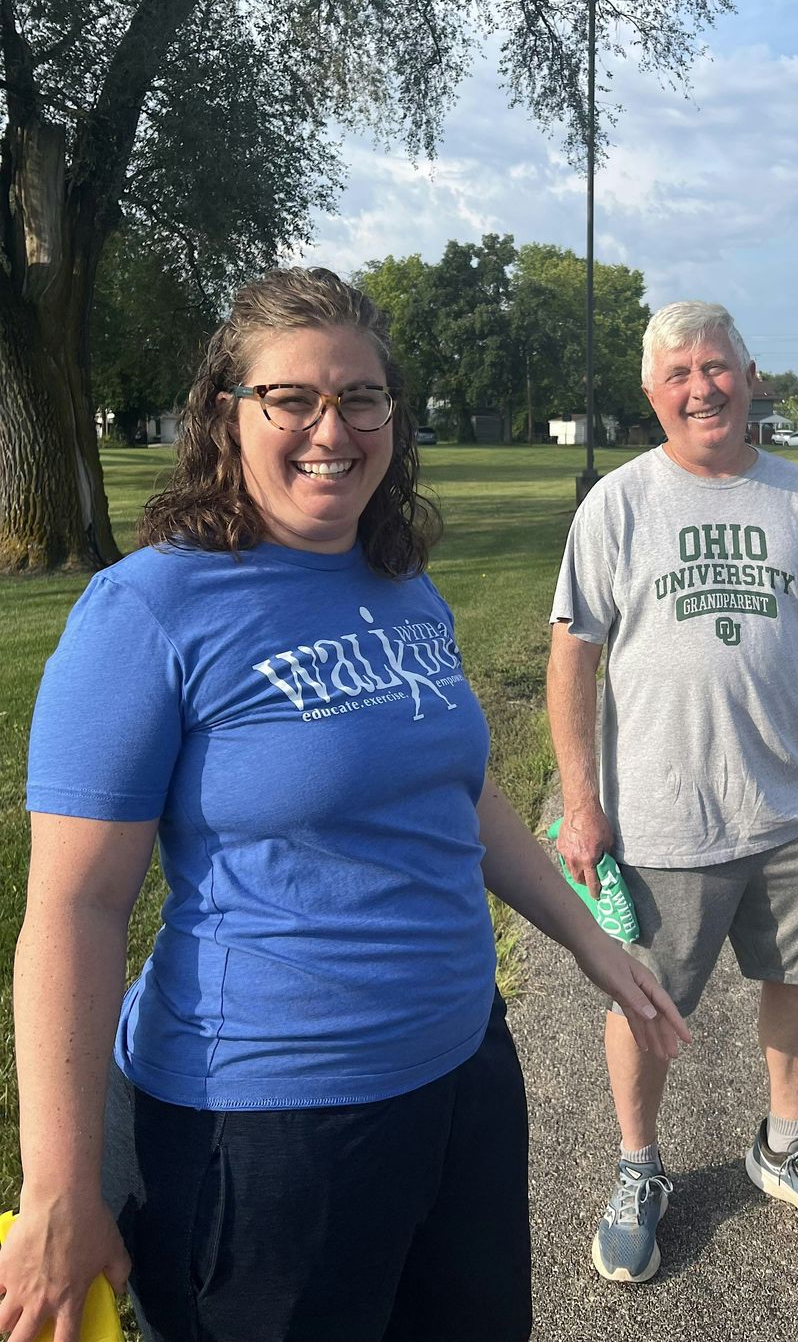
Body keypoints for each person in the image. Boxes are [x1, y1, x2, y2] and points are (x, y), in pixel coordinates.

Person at [2, 266, 688, 1342]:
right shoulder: (148, 609)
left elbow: (454, 794)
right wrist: (57, 1187)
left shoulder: (397, 579)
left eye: (362, 398)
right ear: (228, 414)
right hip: (266, 1124)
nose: (334, 427)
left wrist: (588, 940)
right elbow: (75, 909)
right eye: (294, 399)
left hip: (463, 1073)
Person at [548, 300, 798, 1284]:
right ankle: (639, 1167)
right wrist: (581, 801)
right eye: (680, 373)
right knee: (644, 1001)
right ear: (652, 394)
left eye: (718, 365)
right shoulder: (619, 503)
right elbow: (572, 658)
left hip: (794, 811)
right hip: (661, 816)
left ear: (749, 373)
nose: (703, 386)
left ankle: (783, 1147)